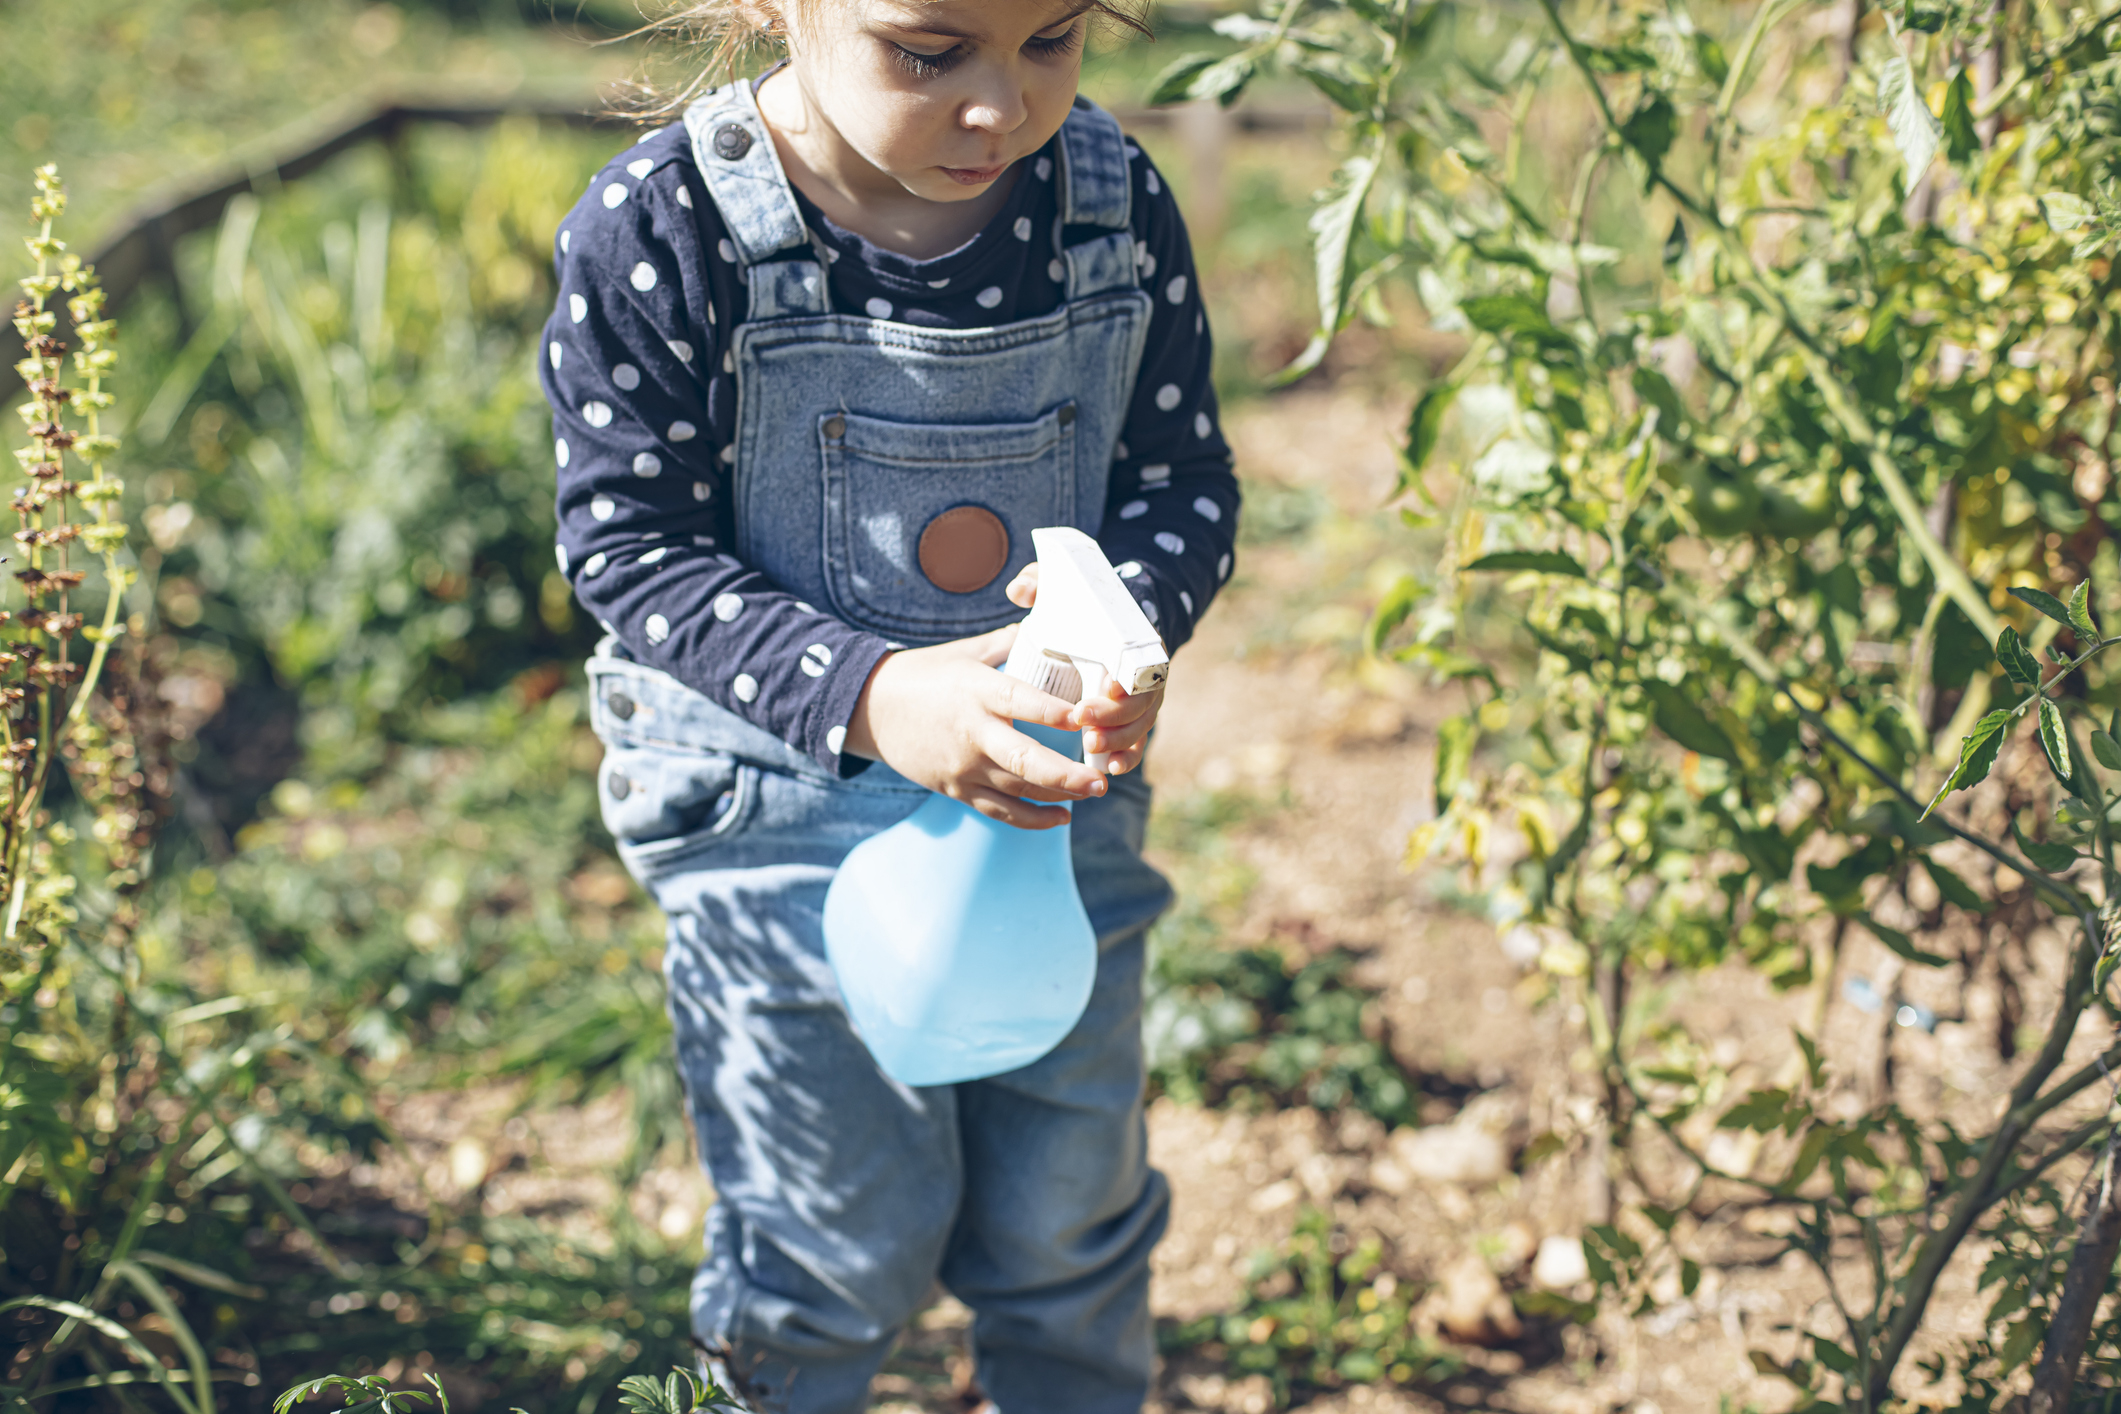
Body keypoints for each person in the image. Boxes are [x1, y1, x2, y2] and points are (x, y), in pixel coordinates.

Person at [538, 2, 1239, 1409]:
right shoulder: (670, 223)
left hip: (1050, 811)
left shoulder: (1104, 205)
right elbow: (627, 543)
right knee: (832, 1242)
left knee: (1069, 1224)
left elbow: (1180, 480)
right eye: (929, 55)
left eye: (1050, 41)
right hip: (779, 816)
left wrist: (1128, 626)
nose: (1000, 107)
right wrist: (869, 690)